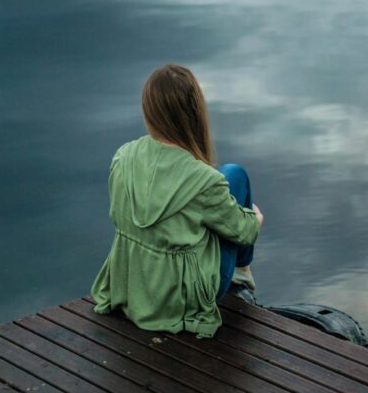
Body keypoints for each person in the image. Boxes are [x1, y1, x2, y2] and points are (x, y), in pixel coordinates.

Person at [90, 64, 264, 338]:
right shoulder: (205, 180)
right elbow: (246, 232)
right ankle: (242, 272)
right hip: (182, 300)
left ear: (149, 110)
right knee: (234, 174)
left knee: (225, 182)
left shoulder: (122, 157)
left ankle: (239, 270)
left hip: (134, 286)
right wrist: (255, 218)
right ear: (195, 113)